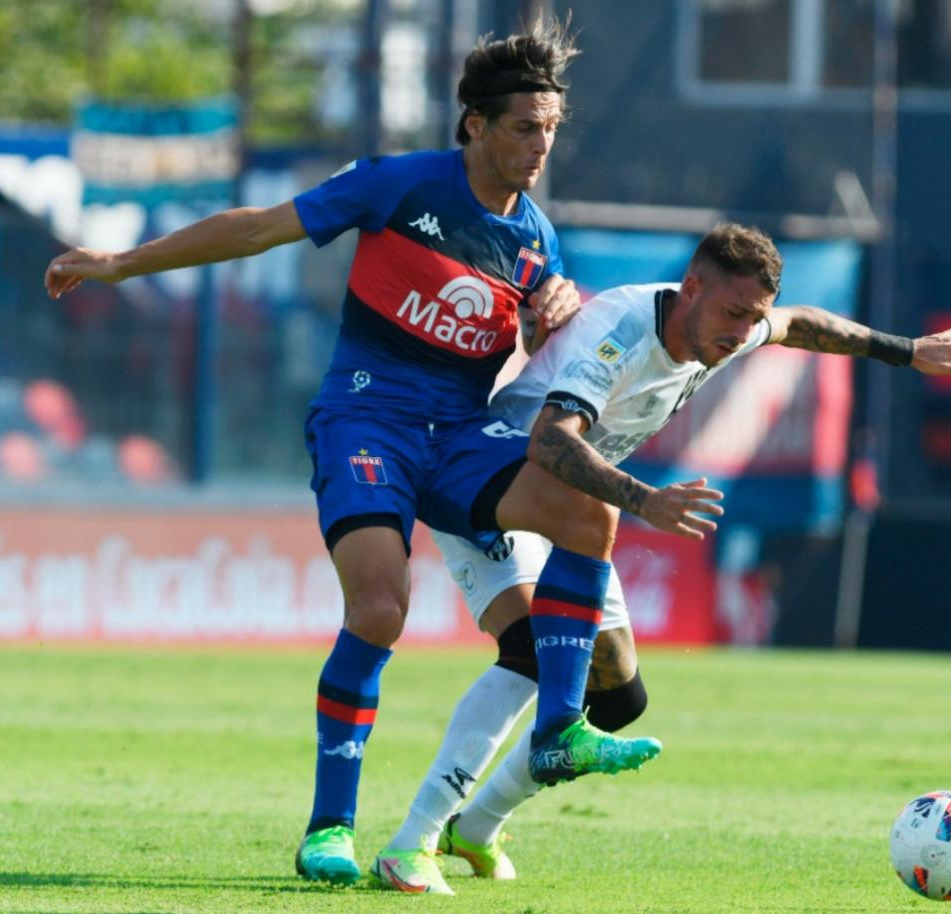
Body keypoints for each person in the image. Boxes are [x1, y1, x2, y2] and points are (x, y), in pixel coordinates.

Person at [43, 17, 721, 895]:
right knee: (379, 609)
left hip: (462, 440)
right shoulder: (398, 185)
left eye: (551, 128)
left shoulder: (537, 241)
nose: (541, 145)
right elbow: (255, 229)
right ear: (474, 124)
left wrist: (545, 316)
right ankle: (330, 825)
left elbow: (536, 351)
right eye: (525, 126)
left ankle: (558, 726)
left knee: (587, 510)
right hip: (367, 425)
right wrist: (120, 264)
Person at [381, 222, 951, 893]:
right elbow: (551, 443)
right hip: (483, 469)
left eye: (751, 317)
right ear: (693, 287)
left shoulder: (725, 327)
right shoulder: (618, 328)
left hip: (561, 501)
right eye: (734, 313)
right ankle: (411, 842)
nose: (742, 332)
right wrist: (646, 501)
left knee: (618, 696)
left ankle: (474, 828)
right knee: (532, 652)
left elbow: (802, 324)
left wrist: (906, 350)